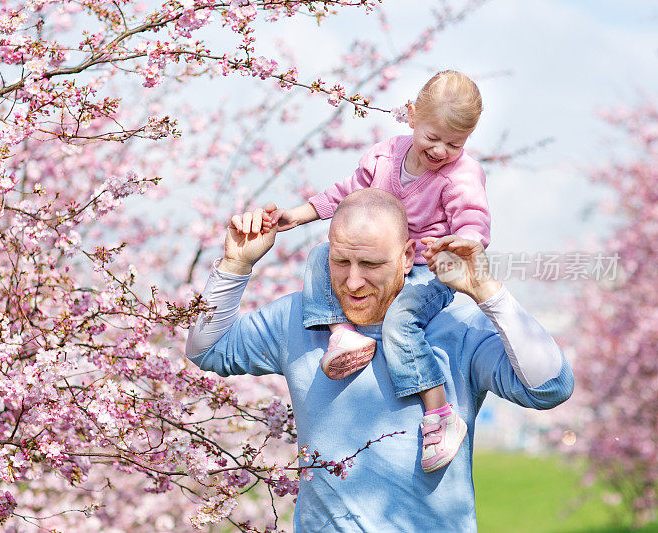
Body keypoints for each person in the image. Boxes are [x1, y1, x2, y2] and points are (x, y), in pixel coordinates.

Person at [185, 189, 573, 532]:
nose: (353, 282)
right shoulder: (300, 321)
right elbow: (207, 348)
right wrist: (236, 264)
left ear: (407, 257)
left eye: (370, 265)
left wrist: (488, 292)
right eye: (340, 262)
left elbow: (550, 388)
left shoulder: (457, 328)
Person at [266, 70, 490, 472]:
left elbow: (471, 216)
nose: (440, 150)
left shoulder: (461, 175)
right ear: (411, 117)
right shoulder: (384, 156)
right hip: (380, 261)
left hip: (426, 268)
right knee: (321, 257)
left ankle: (440, 413)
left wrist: (466, 243)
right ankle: (342, 334)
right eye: (432, 138)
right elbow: (345, 194)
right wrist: (296, 216)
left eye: (454, 143)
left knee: (401, 322)